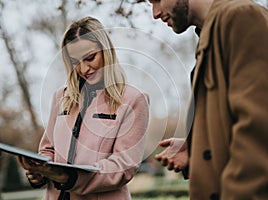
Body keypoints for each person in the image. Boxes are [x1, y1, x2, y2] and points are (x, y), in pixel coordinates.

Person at [18, 16, 149, 200]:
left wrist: (71, 178)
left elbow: (123, 166)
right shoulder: (61, 97)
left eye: (90, 58)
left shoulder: (134, 100)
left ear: (106, 51)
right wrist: (39, 172)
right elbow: (48, 149)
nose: (83, 68)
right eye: (75, 62)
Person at [149, 0, 268, 199]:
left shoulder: (241, 17)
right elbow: (234, 122)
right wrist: (197, 143)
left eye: (156, 0)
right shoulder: (210, 35)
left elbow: (258, 130)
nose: (155, 13)